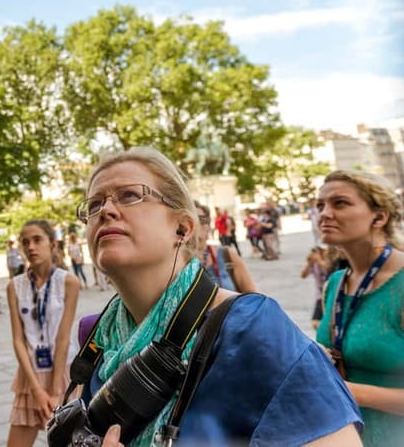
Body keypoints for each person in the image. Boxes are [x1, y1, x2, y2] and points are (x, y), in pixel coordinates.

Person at [76, 147, 361, 446]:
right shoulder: (99, 343)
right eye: (94, 204)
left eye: (130, 195)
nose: (105, 210)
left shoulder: (250, 327)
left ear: (183, 228)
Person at [315, 169, 404, 447]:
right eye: (320, 205)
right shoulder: (335, 283)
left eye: (340, 203)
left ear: (379, 217)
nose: (325, 213)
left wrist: (347, 391)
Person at [7, 219, 80, 447]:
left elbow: (63, 338)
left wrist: (57, 388)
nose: (31, 247)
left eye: (37, 240)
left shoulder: (68, 282)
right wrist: (37, 390)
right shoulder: (15, 286)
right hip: (30, 375)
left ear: (53, 244)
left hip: (64, 372)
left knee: (68, 441)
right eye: (25, 242)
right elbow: (18, 340)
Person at [194, 201, 258, 293]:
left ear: (208, 227)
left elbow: (252, 295)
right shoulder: (173, 263)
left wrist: (227, 232)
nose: (193, 225)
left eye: (201, 219)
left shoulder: (226, 255)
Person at [300, 245, 328, 330]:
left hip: (328, 293)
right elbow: (303, 275)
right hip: (319, 296)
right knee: (315, 323)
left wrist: (318, 260)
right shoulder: (314, 264)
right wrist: (309, 263)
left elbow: (327, 269)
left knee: (323, 321)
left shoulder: (328, 262)